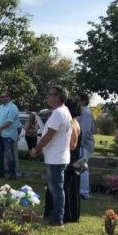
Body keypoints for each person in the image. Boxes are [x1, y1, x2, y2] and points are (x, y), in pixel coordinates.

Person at [30, 86, 72, 227]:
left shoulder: (58, 113)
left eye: (50, 94)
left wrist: (37, 149)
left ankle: (57, 219)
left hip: (56, 157)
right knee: (56, 188)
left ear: (58, 97)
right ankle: (55, 216)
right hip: (58, 156)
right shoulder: (63, 111)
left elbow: (49, 135)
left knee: (56, 189)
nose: (48, 97)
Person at [43, 99, 82, 223]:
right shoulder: (71, 121)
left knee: (63, 187)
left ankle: (64, 215)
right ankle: (55, 212)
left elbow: (73, 145)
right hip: (65, 157)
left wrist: (60, 145)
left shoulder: (72, 123)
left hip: (67, 158)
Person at [0, 91, 20, 179]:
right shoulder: (0, 107)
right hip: (0, 134)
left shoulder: (13, 107)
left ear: (8, 97)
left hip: (9, 134)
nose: (0, 98)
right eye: (0, 97)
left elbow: (9, 122)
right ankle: (0, 173)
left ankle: (13, 175)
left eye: (2, 97)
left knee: (10, 155)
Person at [77, 93, 95, 199]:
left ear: (83, 101)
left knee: (83, 167)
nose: (77, 102)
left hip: (84, 144)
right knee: (80, 166)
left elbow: (85, 130)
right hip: (81, 144)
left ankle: (84, 192)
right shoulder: (82, 112)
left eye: (78, 100)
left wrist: (79, 143)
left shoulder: (86, 112)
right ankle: (81, 190)